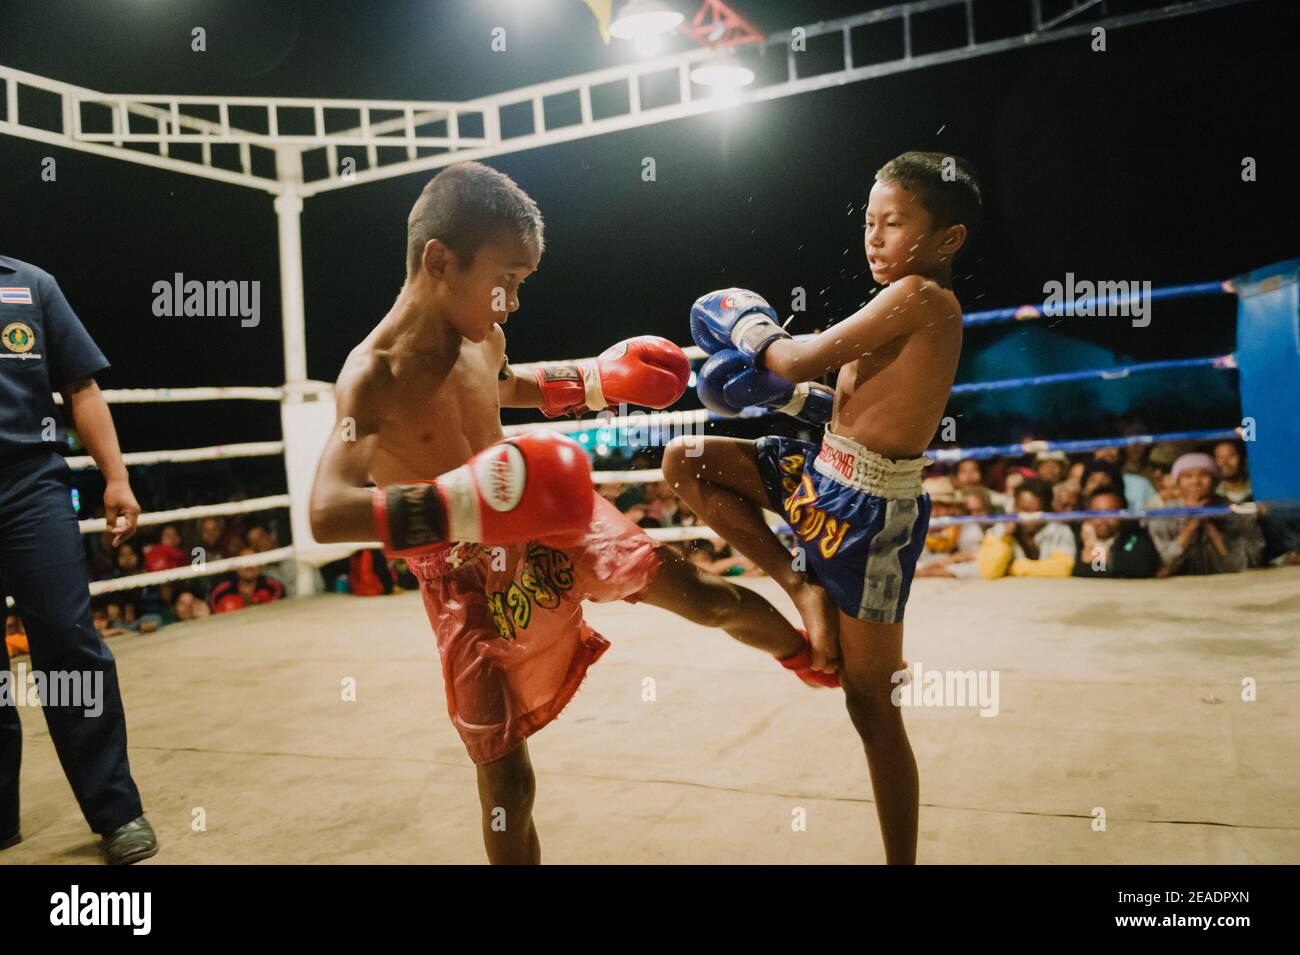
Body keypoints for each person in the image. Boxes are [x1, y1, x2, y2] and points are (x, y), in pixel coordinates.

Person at [307, 161, 827, 865]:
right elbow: (328, 511)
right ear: (439, 260)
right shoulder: (372, 374)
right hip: (462, 566)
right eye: (507, 281)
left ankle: (812, 655)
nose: (513, 302)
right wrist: (463, 501)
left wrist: (597, 378)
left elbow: (506, 382)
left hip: (540, 510)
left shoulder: (479, 334)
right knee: (506, 777)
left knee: (693, 589)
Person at [664, 151, 982, 864]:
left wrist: (751, 331)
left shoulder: (923, 298)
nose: (874, 237)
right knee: (686, 461)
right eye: (869, 222)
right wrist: (783, 395)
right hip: (819, 470)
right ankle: (796, 581)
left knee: (871, 706)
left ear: (947, 238)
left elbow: (797, 360)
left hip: (871, 510)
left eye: (893, 222)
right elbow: (831, 395)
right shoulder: (896, 299)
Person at [0, 254, 156, 863]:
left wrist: (115, 475)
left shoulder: (31, 285)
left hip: (31, 483)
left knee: (69, 642)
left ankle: (117, 813)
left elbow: (81, 386)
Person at [1147, 452, 1264, 576]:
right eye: (1188, 476)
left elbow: (1250, 562)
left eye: (1203, 475)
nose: (1195, 481)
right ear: (1178, 482)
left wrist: (1212, 527)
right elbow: (1162, 567)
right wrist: (1193, 523)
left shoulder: (1236, 511)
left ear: (1214, 481)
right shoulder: (1163, 514)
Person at [978, 478, 1077, 578]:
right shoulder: (998, 531)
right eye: (1021, 508)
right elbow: (988, 572)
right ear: (1014, 506)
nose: (1026, 517)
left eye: (1033, 512)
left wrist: (1016, 568)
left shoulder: (1060, 531)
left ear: (1047, 511)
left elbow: (1063, 569)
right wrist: (1005, 538)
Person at [1072, 488, 1160, 578]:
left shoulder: (1135, 535)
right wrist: (1088, 546)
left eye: (1110, 512)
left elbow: (1144, 567)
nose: (1103, 519)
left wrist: (1106, 558)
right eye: (1097, 512)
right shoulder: (1078, 537)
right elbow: (1080, 571)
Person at [207, 548, 285, 612]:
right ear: (236, 567)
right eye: (244, 561)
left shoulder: (274, 587)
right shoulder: (220, 591)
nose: (249, 565)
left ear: (260, 566)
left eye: (253, 561)